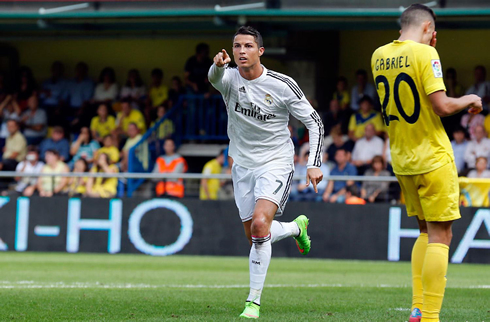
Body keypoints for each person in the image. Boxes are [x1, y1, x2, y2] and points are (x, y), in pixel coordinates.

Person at [371, 4, 482, 322]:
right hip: (432, 156)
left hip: (402, 158)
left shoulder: (378, 55)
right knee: (441, 236)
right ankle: (430, 317)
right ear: (429, 30)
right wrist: (471, 99)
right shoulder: (426, 54)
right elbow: (443, 105)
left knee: (423, 231)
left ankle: (417, 309)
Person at [208, 26, 323, 319]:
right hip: (242, 165)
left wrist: (314, 162)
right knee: (256, 238)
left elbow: (314, 122)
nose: (241, 51)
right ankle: (296, 228)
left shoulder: (282, 84)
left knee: (261, 225)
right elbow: (214, 78)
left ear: (260, 51)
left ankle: (253, 302)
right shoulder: (229, 78)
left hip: (276, 162)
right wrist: (216, 65)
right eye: (236, 46)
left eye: (248, 46)